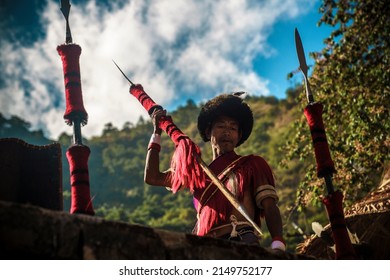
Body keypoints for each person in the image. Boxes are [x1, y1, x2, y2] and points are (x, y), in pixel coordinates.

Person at [144, 93, 286, 251]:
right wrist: (156, 133)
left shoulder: (252, 164)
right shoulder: (197, 173)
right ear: (208, 132)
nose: (227, 132)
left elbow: (269, 205)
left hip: (241, 241)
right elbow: (153, 177)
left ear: (239, 136)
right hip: (204, 248)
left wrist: (278, 243)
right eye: (221, 126)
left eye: (233, 128)